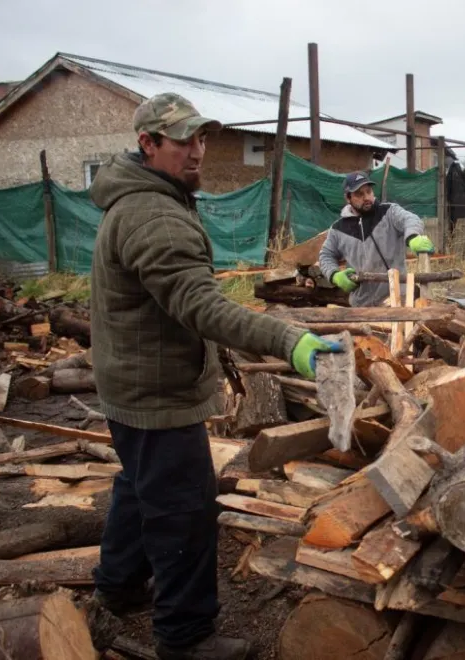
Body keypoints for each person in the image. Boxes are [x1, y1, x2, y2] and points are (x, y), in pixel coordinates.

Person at [87, 92, 342, 660]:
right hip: (156, 393)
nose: (198, 150)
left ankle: (119, 586)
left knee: (138, 486)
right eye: (183, 141)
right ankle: (185, 636)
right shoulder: (153, 214)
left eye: (202, 138)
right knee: (184, 511)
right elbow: (200, 306)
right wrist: (288, 340)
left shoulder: (145, 197)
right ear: (147, 144)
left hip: (129, 383)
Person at [318, 172, 435, 307]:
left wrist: (413, 237)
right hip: (361, 305)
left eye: (369, 191)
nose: (367, 197)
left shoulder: (388, 212)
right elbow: (326, 255)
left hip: (397, 300)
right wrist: (334, 275)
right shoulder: (338, 229)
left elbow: (410, 219)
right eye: (359, 194)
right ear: (348, 198)